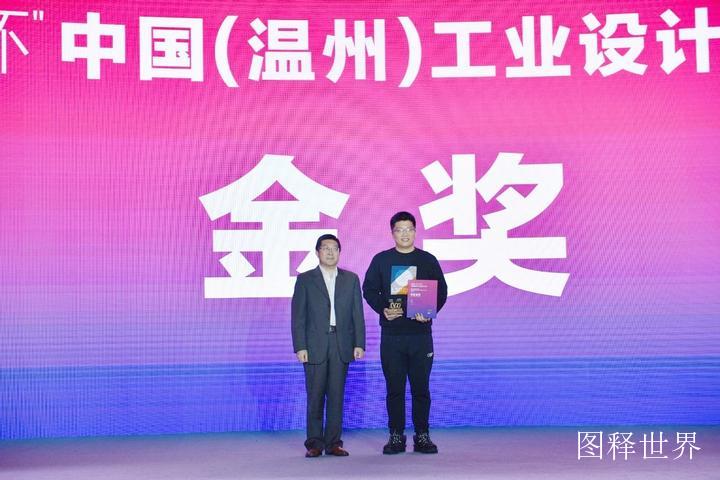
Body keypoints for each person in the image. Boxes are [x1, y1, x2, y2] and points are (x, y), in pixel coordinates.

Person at [363, 211, 447, 454]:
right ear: (392, 233)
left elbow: (441, 291)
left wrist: (429, 312)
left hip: (421, 335)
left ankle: (422, 435)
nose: (405, 234)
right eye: (399, 230)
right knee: (395, 389)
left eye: (409, 229)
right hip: (392, 336)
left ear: (415, 231)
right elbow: (369, 290)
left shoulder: (427, 260)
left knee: (421, 388)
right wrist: (383, 309)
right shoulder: (382, 260)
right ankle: (396, 436)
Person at [291, 233, 366, 458]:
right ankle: (314, 443)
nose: (330, 252)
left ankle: (333, 443)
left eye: (334, 248)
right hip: (314, 345)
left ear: (339, 252)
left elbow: (357, 314)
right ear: (317, 252)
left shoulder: (351, 279)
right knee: (315, 396)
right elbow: (298, 316)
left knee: (336, 396)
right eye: (325, 248)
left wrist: (359, 343)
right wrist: (300, 346)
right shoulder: (305, 279)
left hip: (341, 344)